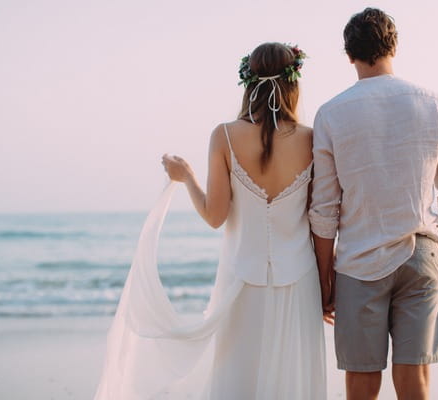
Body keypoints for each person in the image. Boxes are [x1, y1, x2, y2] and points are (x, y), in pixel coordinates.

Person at [93, 42, 326, 399]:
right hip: (299, 281)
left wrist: (186, 176)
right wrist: (330, 283)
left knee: (239, 378)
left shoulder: (225, 136)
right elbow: (319, 219)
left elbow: (215, 217)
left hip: (241, 282)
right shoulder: (312, 139)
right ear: (294, 83)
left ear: (248, 82)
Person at [309, 8, 438, 400]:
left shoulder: (331, 114)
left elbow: (324, 211)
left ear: (349, 55)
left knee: (362, 381)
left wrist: (325, 281)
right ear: (393, 45)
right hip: (421, 254)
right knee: (414, 378)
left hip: (359, 263)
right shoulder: (433, 103)